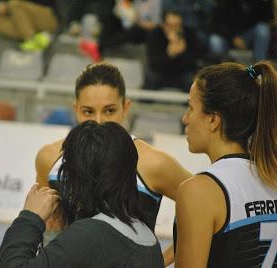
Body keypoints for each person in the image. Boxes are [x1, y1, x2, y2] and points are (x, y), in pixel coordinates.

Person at [35, 62, 191, 248]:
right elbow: (44, 225)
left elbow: (205, 205)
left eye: (109, 111)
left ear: (125, 108)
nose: (99, 122)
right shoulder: (50, 158)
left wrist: (163, 259)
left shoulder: (153, 163)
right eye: (88, 111)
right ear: (76, 109)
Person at [0, 121, 164, 267]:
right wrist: (53, 233)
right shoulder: (148, 239)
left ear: (80, 176)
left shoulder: (90, 235)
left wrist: (29, 218)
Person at [174, 60, 277, 267]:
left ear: (213, 120)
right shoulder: (271, 176)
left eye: (190, 107)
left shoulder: (199, 191)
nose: (185, 118)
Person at [144, 9, 205, 91]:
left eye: (177, 25)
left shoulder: (189, 34)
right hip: (160, 73)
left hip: (182, 74)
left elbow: (192, 64)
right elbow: (153, 64)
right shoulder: (155, 34)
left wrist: (182, 52)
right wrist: (169, 54)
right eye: (170, 25)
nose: (174, 29)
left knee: (193, 82)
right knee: (150, 79)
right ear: (164, 25)